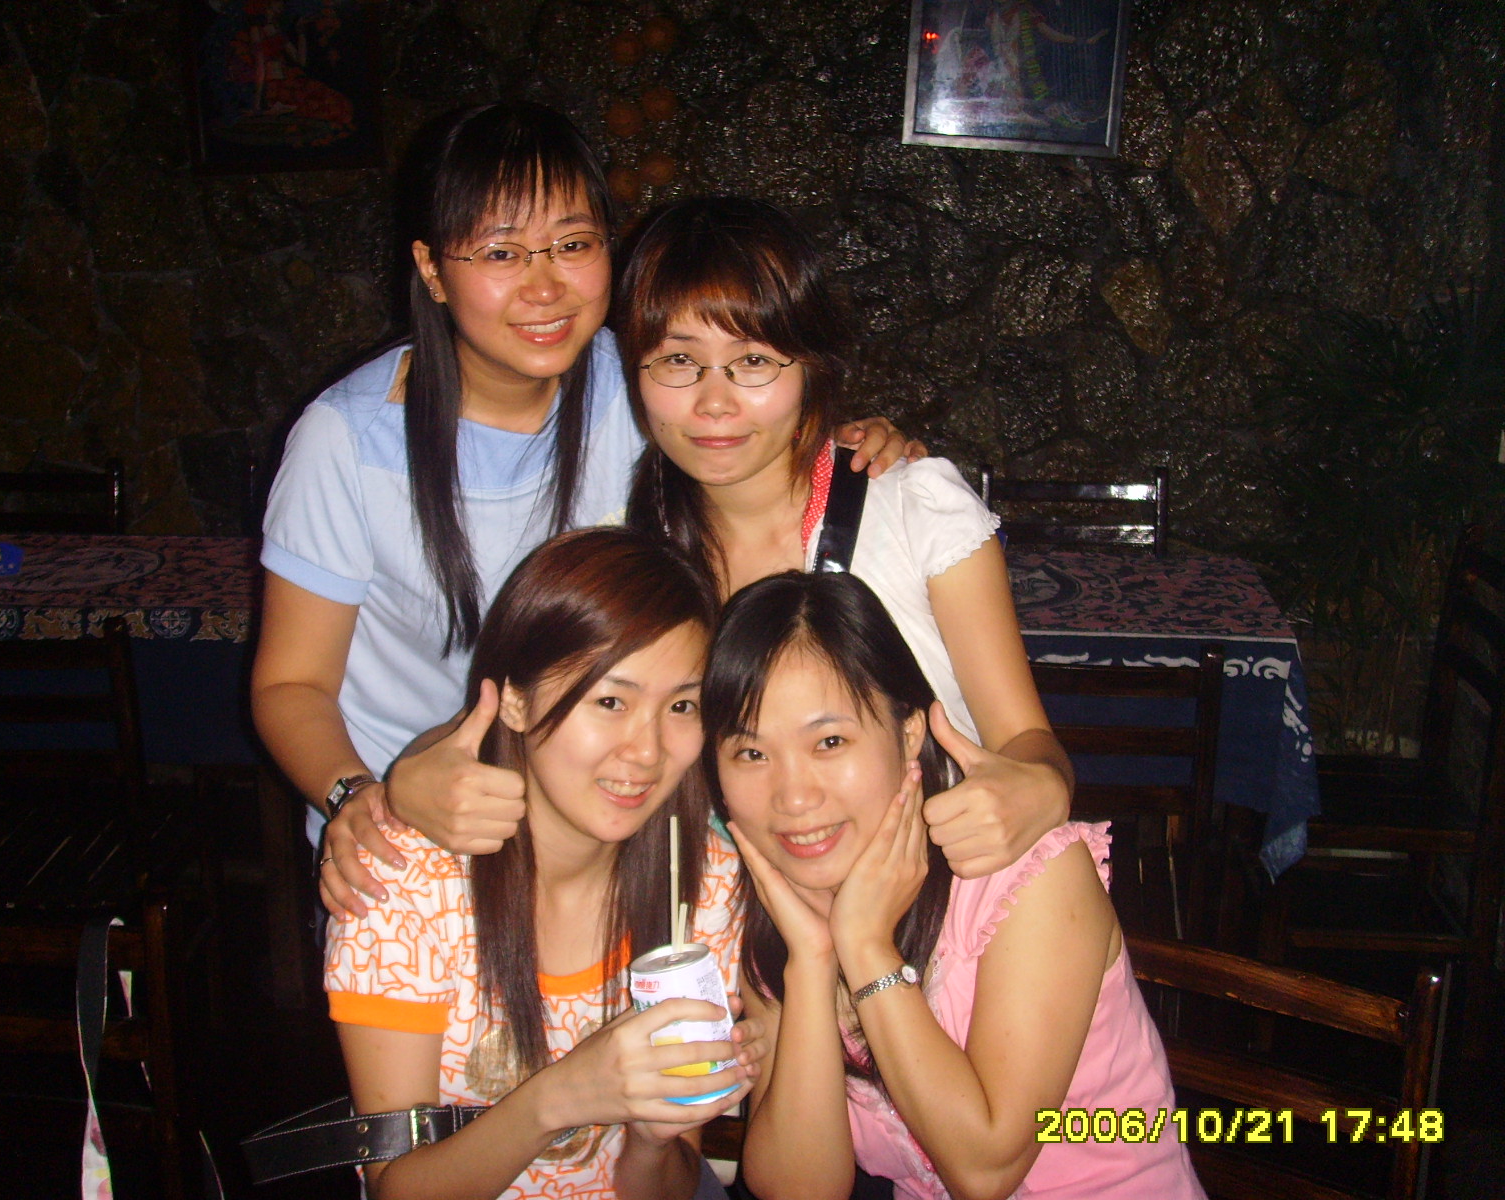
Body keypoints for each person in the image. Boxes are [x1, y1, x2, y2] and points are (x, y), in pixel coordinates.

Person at [251, 102, 914, 916]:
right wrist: (358, 793)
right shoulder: (347, 442)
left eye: (572, 245)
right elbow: (291, 683)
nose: (544, 286)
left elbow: (754, 423)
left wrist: (844, 443)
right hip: (424, 839)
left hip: (621, 829)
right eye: (501, 253)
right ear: (431, 269)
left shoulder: (646, 384)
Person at [705, 570, 1205, 1200]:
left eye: (830, 741)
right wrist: (811, 961)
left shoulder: (1028, 875)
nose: (794, 797)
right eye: (752, 754)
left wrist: (865, 946)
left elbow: (987, 1168)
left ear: (909, 732)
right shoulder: (778, 913)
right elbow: (800, 1190)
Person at [616, 195, 1072, 880]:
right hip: (733, 918)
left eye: (753, 360)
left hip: (935, 904)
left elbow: (1026, 739)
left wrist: (1042, 787)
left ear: (812, 367)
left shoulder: (914, 510)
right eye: (679, 360)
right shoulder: (637, 554)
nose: (714, 402)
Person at [325, 528, 751, 1200]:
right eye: (610, 701)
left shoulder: (701, 879)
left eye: (681, 706)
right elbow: (397, 1188)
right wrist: (564, 1096)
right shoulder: (406, 883)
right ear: (515, 701)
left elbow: (665, 1187)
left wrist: (652, 1135)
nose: (646, 751)